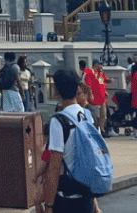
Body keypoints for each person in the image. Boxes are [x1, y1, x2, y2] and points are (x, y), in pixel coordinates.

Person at [44, 69, 104, 213]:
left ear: (57, 92)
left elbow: (54, 167)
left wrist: (49, 205)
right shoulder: (89, 116)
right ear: (78, 89)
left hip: (66, 199)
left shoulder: (59, 121)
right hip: (87, 196)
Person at [82, 60, 109, 135]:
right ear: (96, 65)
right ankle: (96, 130)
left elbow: (104, 81)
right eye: (100, 64)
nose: (101, 66)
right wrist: (90, 95)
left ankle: (102, 129)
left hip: (102, 98)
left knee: (103, 115)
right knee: (96, 116)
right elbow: (88, 85)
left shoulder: (100, 73)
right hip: (95, 99)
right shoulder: (89, 73)